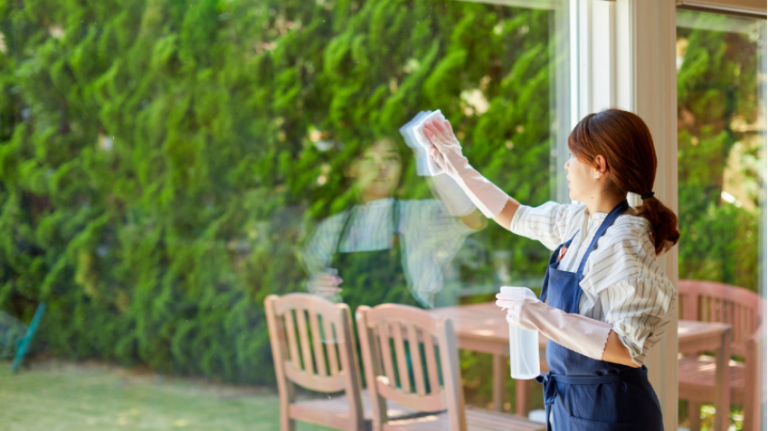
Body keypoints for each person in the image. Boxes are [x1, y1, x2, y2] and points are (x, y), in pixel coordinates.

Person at [423, 109, 678, 430]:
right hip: (571, 403)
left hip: (612, 411)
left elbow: (628, 348)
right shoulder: (580, 219)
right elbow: (515, 216)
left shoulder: (624, 239)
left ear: (599, 166)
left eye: (574, 156)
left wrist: (539, 314)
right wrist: (458, 166)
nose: (567, 166)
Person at [301, 136, 486, 313]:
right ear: (352, 168)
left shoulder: (421, 215)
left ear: (401, 169)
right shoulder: (332, 229)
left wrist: (430, 161)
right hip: (353, 333)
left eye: (390, 158)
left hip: (414, 332)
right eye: (368, 158)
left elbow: (474, 220)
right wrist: (318, 290)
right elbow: (316, 283)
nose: (381, 166)